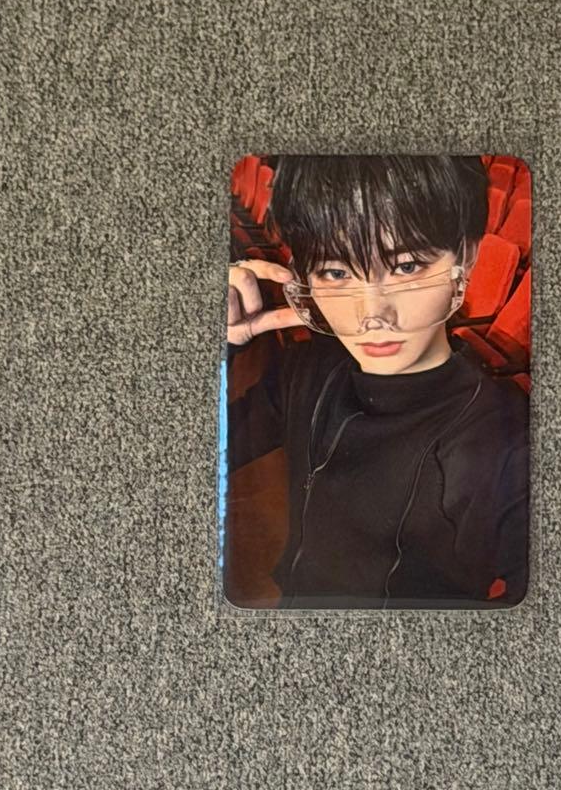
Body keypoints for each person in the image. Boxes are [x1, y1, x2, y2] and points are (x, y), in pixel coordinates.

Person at [224, 155, 530, 610]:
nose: (373, 315)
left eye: (406, 266)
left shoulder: (504, 440)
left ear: (466, 257)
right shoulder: (307, 371)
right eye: (336, 273)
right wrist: (215, 347)